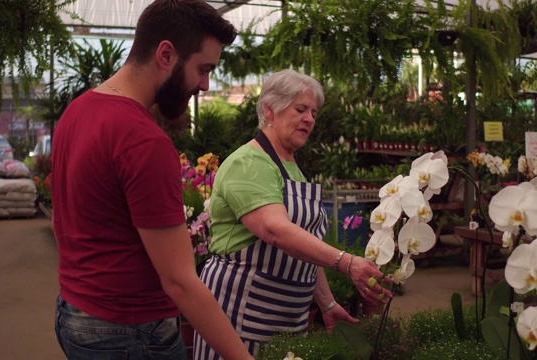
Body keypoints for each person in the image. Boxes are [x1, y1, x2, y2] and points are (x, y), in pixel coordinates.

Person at [51, 1, 253, 359]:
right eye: (203, 69)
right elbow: (180, 282)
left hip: (74, 314)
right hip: (128, 331)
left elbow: (63, 220)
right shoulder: (143, 139)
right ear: (165, 54)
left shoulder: (76, 112)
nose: (205, 85)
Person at [193, 69, 393, 359]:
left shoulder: (293, 168)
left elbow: (304, 245)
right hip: (239, 315)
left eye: (313, 111)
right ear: (269, 110)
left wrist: (326, 303)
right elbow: (276, 230)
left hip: (288, 319)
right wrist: (347, 263)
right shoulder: (249, 163)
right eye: (300, 109)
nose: (310, 118)